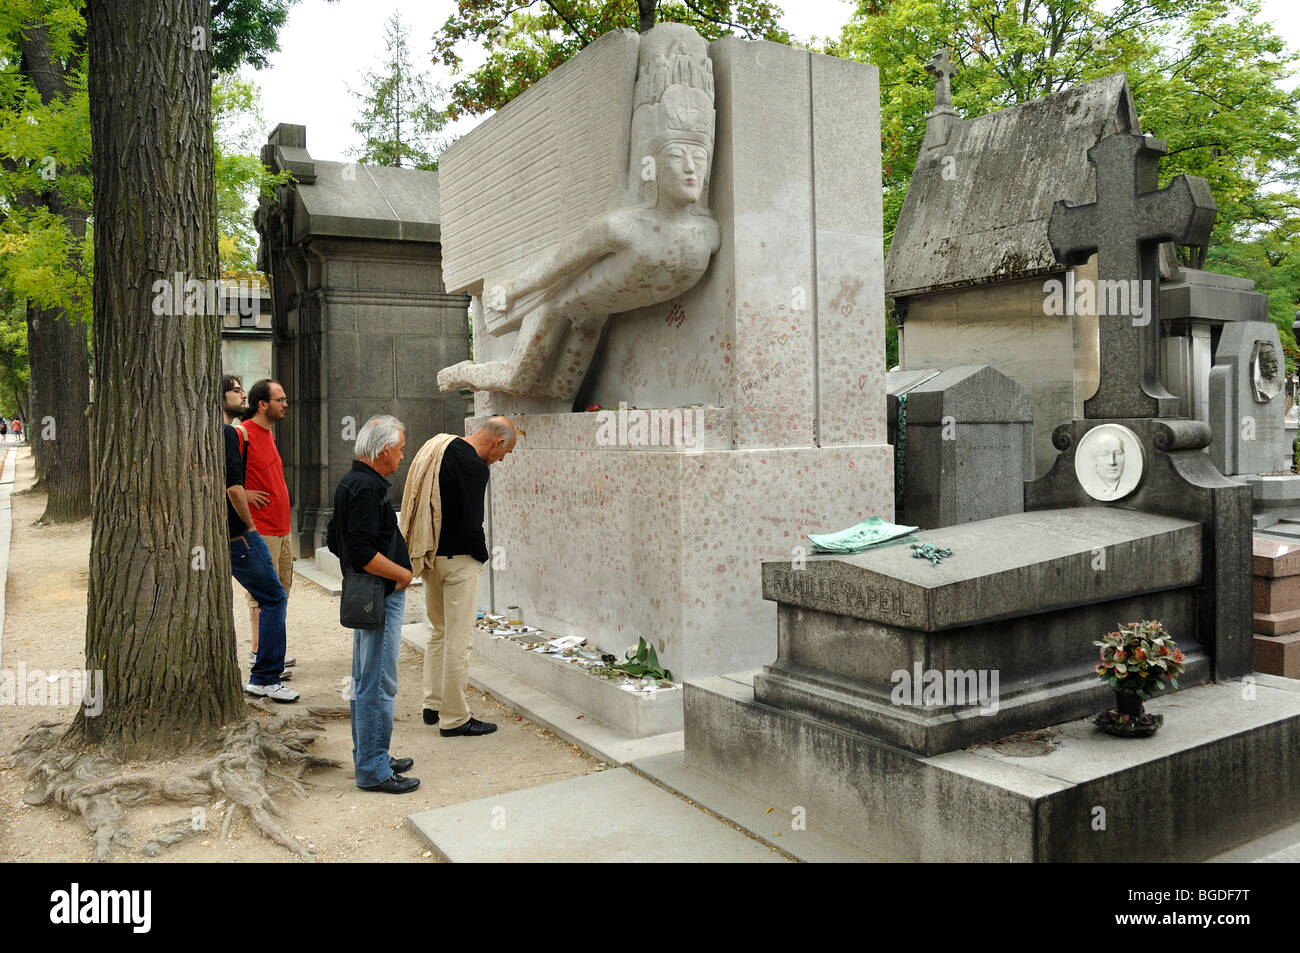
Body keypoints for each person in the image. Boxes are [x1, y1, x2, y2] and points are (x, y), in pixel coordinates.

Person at [401, 417, 515, 738]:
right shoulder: (476, 468)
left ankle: (432, 704)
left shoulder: (441, 446)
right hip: (460, 561)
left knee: (437, 631)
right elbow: (470, 522)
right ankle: (454, 718)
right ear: (497, 442)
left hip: (430, 555)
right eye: (505, 452)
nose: (502, 459)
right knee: (459, 640)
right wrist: (481, 553)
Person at [328, 415, 418, 793]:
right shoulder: (365, 488)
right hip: (380, 594)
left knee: (368, 680)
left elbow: (336, 540)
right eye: (399, 450)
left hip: (369, 594)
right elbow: (361, 550)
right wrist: (400, 574)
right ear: (383, 451)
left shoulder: (354, 482)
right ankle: (373, 768)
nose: (402, 457)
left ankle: (373, 754)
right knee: (378, 683)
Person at [223, 379, 298, 703]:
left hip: (281, 530)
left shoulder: (268, 435)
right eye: (280, 399)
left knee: (278, 595)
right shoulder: (241, 434)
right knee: (266, 598)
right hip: (259, 531)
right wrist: (251, 524)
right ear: (262, 403)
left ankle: (268, 668)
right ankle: (261, 667)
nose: (285, 404)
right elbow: (231, 484)